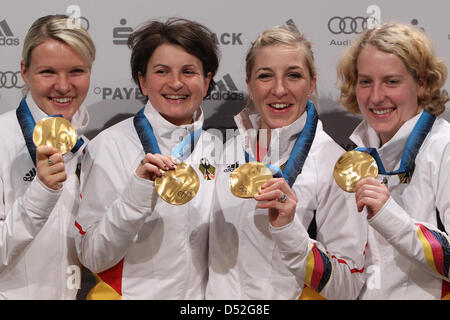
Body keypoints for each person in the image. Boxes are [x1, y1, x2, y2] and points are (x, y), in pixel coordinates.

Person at [206, 25, 366, 300]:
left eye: (293, 75)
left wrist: (289, 230)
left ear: (312, 83)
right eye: (265, 76)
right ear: (249, 85)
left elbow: (347, 288)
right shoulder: (228, 150)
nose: (279, 89)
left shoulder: (335, 163)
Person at [74, 17, 220, 299]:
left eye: (188, 71)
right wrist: (137, 194)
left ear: (207, 79)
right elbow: (92, 256)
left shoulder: (222, 151)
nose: (175, 83)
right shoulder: (110, 146)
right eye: (162, 71)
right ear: (143, 81)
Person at [336, 21, 450, 299]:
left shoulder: (444, 147)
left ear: (422, 83)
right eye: (365, 82)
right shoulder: (352, 154)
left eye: (391, 81)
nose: (376, 97)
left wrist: (389, 216)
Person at [0, 14, 95, 299]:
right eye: (48, 72)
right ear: (24, 72)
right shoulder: (2, 139)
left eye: (76, 71)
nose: (64, 86)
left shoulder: (88, 149)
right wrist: (41, 192)